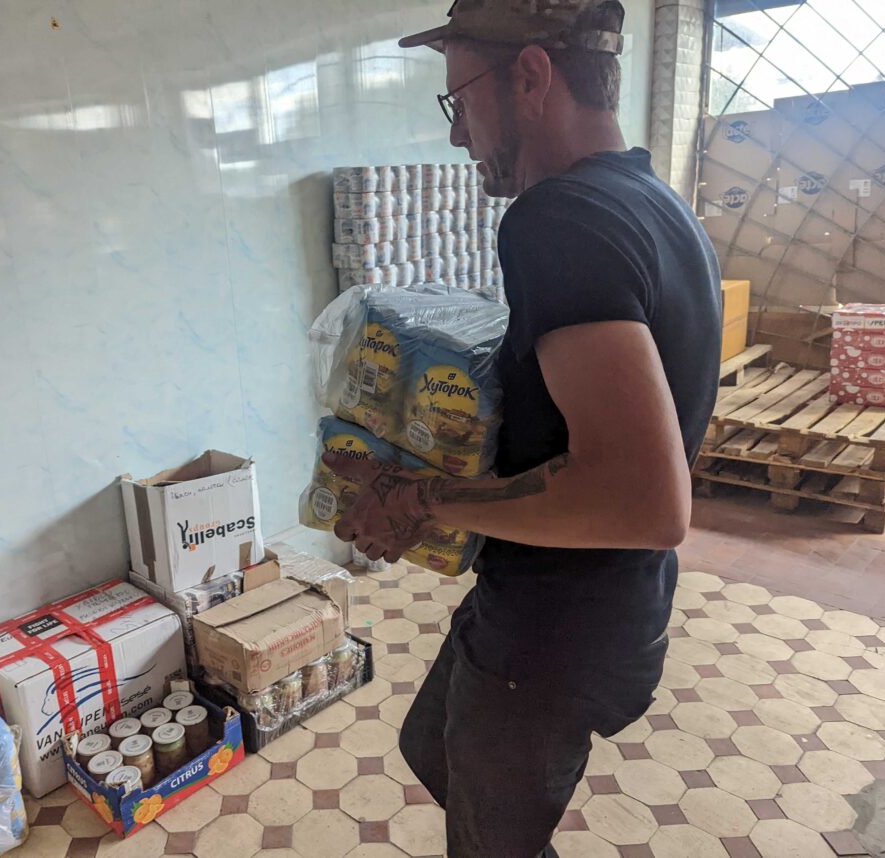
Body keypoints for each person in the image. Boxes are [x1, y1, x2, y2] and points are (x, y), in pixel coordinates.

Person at [322, 1, 723, 856]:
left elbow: (646, 500)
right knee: (430, 747)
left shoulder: (555, 220)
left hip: (554, 631)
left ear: (532, 77)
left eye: (459, 99)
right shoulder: (655, 200)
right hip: (603, 605)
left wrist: (423, 498)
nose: (460, 133)